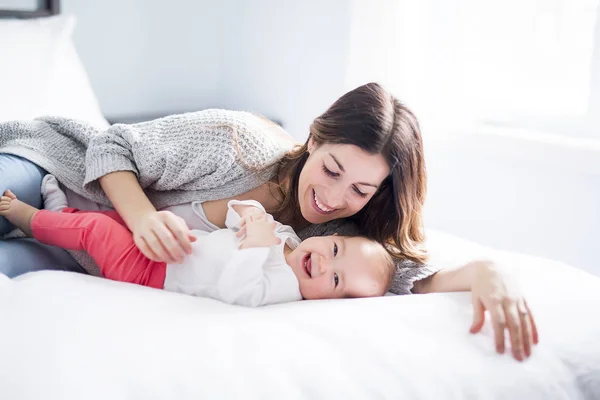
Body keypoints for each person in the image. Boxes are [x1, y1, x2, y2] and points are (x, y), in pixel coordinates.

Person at [0, 83, 538, 360]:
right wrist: (139, 216)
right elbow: (110, 143)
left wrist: (488, 271)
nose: (331, 198)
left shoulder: (329, 242)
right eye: (330, 169)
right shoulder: (237, 142)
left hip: (76, 249)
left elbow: (397, 276)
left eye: (359, 189)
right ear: (314, 137)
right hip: (54, 166)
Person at [0, 189, 394, 306]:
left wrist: (256, 247)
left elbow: (236, 291)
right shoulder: (289, 239)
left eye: (336, 280)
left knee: (96, 229)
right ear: (330, 236)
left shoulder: (286, 289)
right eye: (337, 250)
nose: (325, 264)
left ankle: (24, 215)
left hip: (153, 275)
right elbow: (238, 217)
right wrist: (249, 213)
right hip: (174, 246)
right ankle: (58, 214)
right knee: (119, 221)